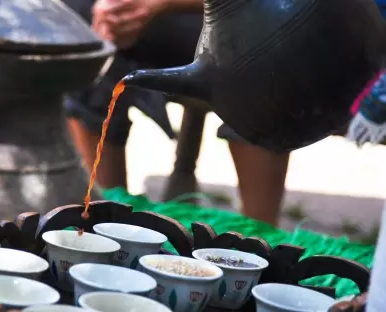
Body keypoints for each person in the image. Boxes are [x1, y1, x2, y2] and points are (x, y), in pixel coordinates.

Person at [63, 0, 290, 226]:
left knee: (259, 37)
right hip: (182, 21)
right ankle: (108, 217)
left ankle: (261, 233)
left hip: (260, 17)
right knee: (79, 16)